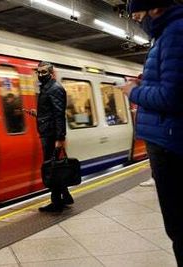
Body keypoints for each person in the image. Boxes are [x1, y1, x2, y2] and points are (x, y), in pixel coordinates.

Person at [123, 1, 183, 265]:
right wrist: (145, 81)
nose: (138, 21)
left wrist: (133, 92)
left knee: (180, 228)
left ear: (155, 8)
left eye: (138, 15)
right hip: (169, 140)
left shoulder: (175, 33)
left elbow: (173, 97)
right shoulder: (168, 33)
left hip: (171, 145)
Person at [26, 61, 73, 212]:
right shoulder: (48, 88)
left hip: (51, 135)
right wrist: (38, 114)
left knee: (51, 169)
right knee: (54, 167)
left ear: (51, 74)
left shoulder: (54, 89)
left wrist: (60, 139)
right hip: (48, 132)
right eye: (38, 72)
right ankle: (65, 197)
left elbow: (59, 115)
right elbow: (51, 113)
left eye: (43, 72)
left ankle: (56, 202)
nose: (40, 75)